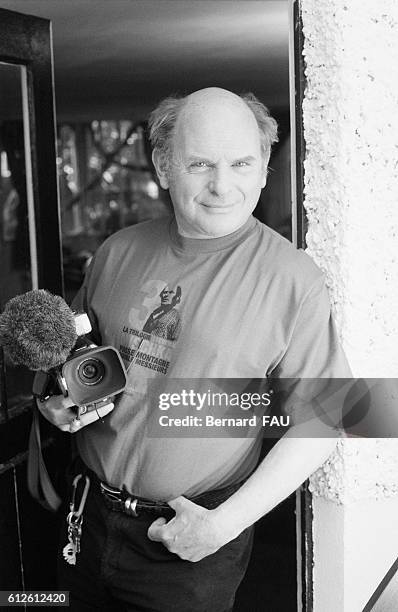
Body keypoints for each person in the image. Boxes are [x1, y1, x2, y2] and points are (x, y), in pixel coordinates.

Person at [38, 87, 351, 611]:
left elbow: (324, 421)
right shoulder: (116, 252)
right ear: (163, 166)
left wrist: (222, 525)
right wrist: (57, 403)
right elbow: (75, 360)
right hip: (85, 516)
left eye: (241, 163)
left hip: (189, 543)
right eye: (201, 163)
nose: (221, 185)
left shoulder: (293, 280)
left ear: (264, 168)